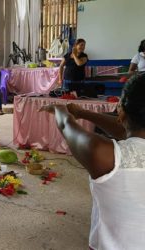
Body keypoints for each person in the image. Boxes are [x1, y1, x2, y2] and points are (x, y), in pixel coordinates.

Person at [40, 74, 145, 250]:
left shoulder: (104, 154)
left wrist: (58, 109)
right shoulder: (110, 153)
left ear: (122, 113)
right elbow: (126, 131)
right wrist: (82, 113)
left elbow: (66, 125)